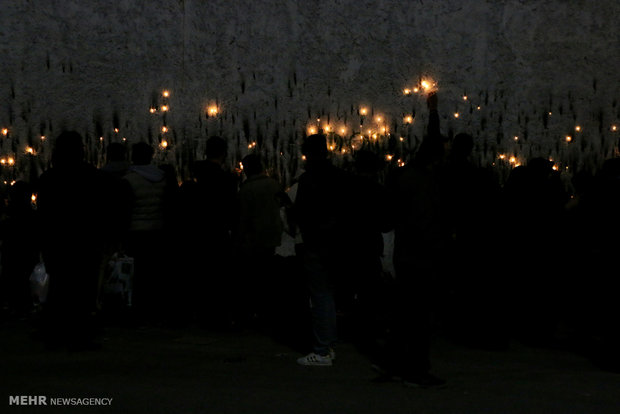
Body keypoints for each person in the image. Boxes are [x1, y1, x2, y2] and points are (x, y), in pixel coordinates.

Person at [376, 92, 448, 387]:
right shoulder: (431, 182)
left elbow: (387, 218)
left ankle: (395, 365)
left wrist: (432, 113)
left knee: (404, 315)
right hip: (424, 256)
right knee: (419, 317)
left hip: (405, 255)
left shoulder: (402, 176)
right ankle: (415, 370)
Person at [36, 131, 110, 350]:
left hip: (58, 241)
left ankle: (57, 332)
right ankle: (79, 334)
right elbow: (100, 210)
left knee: (60, 286)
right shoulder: (92, 176)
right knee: (82, 288)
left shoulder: (49, 178)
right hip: (85, 241)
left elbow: (44, 214)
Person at [294, 133, 352, 366]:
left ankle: (322, 349)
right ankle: (329, 342)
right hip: (336, 243)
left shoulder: (309, 180)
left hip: (317, 243)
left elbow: (301, 212)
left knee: (320, 296)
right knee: (329, 294)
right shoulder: (339, 176)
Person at [176, 136, 239, 329]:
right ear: (223, 153)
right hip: (218, 232)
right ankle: (217, 316)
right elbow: (231, 209)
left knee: (199, 274)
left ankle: (199, 313)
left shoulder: (194, 178)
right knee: (218, 276)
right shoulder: (226, 180)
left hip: (196, 233)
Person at [123, 142, 175, 324]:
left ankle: (140, 310)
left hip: (137, 232)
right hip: (157, 230)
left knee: (138, 274)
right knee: (154, 271)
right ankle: (156, 309)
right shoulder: (162, 177)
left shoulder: (129, 180)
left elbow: (126, 209)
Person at [234, 153, 289, 328]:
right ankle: (270, 312)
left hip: (253, 238)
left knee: (254, 277)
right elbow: (283, 205)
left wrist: (240, 238)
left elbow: (243, 217)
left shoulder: (246, 190)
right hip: (271, 236)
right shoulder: (273, 184)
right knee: (268, 275)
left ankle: (255, 312)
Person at [0, 181, 40, 317]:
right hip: (25, 251)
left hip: (13, 251)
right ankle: (21, 304)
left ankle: (13, 303)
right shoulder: (31, 215)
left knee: (13, 275)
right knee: (22, 277)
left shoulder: (9, 214)